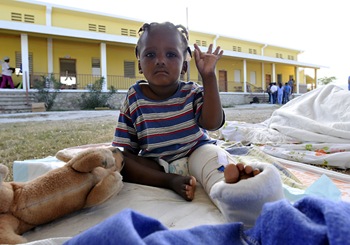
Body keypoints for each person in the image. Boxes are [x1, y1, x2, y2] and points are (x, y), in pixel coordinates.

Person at [112, 22, 261, 203]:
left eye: (171, 54)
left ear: (184, 67)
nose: (160, 60)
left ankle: (233, 192)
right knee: (115, 158)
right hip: (157, 165)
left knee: (213, 156)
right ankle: (171, 182)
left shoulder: (192, 92)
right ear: (140, 65)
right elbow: (127, 149)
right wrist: (123, 160)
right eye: (150, 54)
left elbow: (213, 123)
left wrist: (208, 77)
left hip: (195, 153)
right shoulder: (133, 98)